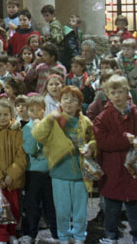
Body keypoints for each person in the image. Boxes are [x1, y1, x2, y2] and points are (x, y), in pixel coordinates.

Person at [93, 75, 137, 244]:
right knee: (111, 206)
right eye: (113, 92)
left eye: (120, 92)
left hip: (133, 169)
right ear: (107, 94)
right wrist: (124, 140)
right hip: (112, 169)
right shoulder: (103, 117)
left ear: (127, 92)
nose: (117, 96)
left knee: (136, 204)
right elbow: (102, 141)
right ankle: (110, 234)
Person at [32, 86, 95, 244]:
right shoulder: (53, 119)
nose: (69, 102)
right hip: (59, 171)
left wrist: (92, 147)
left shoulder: (85, 121)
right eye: (65, 98)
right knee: (62, 210)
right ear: (60, 101)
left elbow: (93, 139)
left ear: (79, 104)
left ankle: (79, 236)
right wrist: (49, 119)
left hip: (81, 172)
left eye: (73, 99)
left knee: (80, 210)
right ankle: (64, 237)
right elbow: (38, 135)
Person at [0, 99, 27, 244]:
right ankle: (1, 237)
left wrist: (11, 175)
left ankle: (12, 233)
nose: (2, 118)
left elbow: (21, 156)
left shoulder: (18, 133)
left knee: (14, 208)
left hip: (14, 181)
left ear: (11, 115)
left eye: (6, 114)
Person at [20, 96, 58, 243]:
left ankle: (56, 234)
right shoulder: (26, 128)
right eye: (31, 110)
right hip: (33, 172)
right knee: (32, 205)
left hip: (50, 171)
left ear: (44, 110)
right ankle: (31, 234)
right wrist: (36, 131)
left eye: (39, 109)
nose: (35, 113)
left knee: (51, 205)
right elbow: (30, 149)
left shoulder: (50, 125)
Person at [115, 38, 137, 103]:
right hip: (123, 86)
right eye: (123, 49)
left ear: (134, 50)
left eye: (128, 49)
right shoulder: (118, 60)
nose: (125, 52)